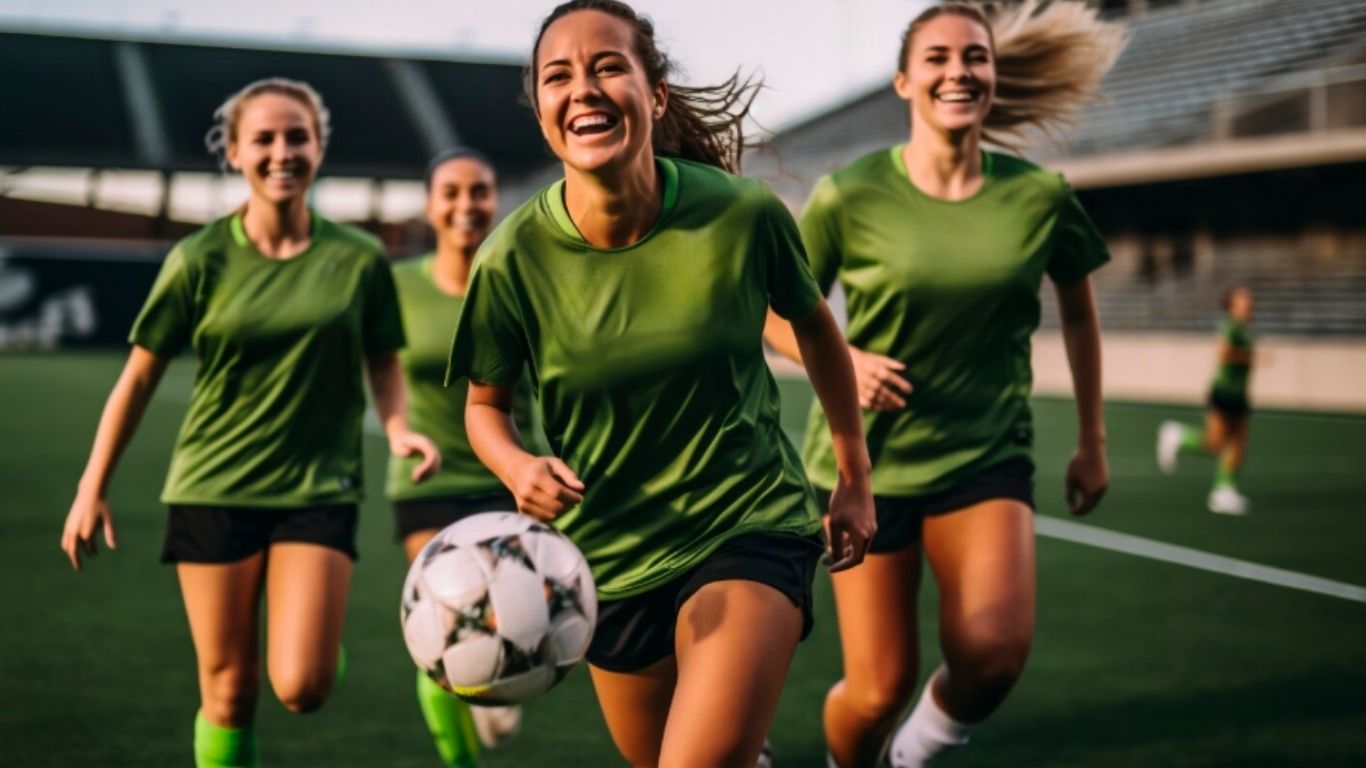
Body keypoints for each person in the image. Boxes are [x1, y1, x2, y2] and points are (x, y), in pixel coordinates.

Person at [445, 2, 877, 766]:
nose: (584, 88)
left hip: (746, 524)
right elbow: (485, 407)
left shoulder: (741, 214)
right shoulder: (510, 258)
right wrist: (516, 466)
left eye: (609, 66)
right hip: (608, 559)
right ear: (544, 113)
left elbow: (815, 330)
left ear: (657, 94)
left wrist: (853, 475)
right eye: (558, 77)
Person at [763, 2, 1123, 766]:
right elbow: (769, 313)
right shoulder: (847, 194)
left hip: (985, 454)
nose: (958, 71)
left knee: (992, 654)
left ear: (994, 75)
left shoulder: (1040, 196)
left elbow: (1082, 317)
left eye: (975, 57)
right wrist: (845, 361)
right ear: (902, 81)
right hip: (866, 467)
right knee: (873, 692)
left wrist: (1092, 441)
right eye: (937, 58)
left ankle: (914, 751)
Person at [59, 78, 439, 768]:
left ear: (319, 147)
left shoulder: (358, 259)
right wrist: (93, 487)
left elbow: (384, 361)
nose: (282, 151)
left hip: (318, 488)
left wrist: (400, 423)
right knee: (229, 693)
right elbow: (138, 377)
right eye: (262, 138)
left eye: (297, 136)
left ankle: (311, 642)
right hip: (212, 487)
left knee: (302, 686)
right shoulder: (197, 259)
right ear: (234, 153)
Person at [389, 148, 541, 766]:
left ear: (493, 201)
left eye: (478, 191)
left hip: (509, 474)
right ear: (430, 206)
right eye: (449, 192)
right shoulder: (394, 286)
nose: (465, 204)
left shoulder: (521, 279)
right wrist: (397, 428)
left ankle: (496, 689)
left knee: (512, 621)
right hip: (427, 483)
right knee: (446, 623)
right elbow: (370, 372)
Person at [1158, 286, 1256, 515]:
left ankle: (1223, 490)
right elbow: (1223, 353)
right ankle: (1178, 436)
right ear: (1232, 306)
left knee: (1238, 443)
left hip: (1239, 395)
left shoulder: (1245, 331)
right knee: (1215, 443)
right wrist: (1250, 357)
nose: (1249, 302)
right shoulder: (1230, 327)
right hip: (1223, 393)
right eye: (1243, 299)